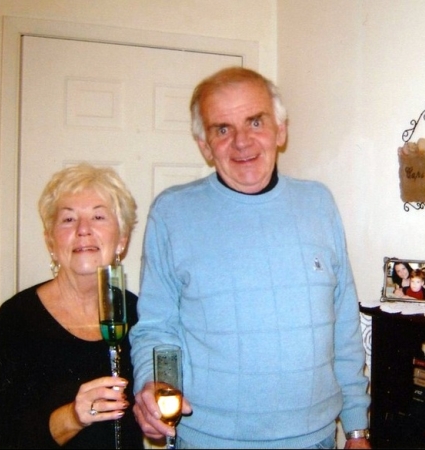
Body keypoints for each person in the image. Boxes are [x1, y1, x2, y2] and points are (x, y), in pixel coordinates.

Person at [129, 67, 371, 449]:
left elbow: (344, 324)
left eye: (255, 122)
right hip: (208, 441)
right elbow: (157, 329)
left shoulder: (319, 204)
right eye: (222, 129)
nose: (242, 142)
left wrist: (357, 429)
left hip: (315, 439)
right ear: (204, 146)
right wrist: (152, 384)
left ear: (280, 130)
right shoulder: (172, 213)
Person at [0, 163, 144, 449]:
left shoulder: (141, 314)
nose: (83, 230)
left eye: (98, 217)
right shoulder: (16, 320)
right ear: (50, 241)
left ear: (122, 240)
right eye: (68, 219)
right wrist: (73, 417)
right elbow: (6, 438)